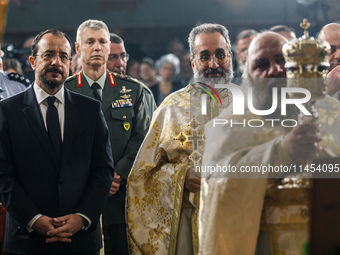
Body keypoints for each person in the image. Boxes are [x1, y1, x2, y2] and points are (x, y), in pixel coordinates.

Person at [200, 31, 340, 255]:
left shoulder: (333, 114)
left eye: (282, 61)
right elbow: (218, 186)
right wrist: (281, 153)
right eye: (261, 64)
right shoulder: (227, 126)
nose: (275, 70)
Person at [0, 28, 114, 255]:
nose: (56, 62)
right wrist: (34, 219)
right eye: (48, 55)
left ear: (70, 63)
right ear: (33, 61)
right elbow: (3, 174)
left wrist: (81, 218)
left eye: (63, 56)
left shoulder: (89, 110)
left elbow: (103, 171)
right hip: (27, 239)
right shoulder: (7, 110)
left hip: (80, 239)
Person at [126, 23, 234, 255]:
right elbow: (142, 176)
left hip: (239, 216)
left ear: (230, 57)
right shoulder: (172, 108)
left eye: (220, 55)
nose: (214, 64)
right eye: (204, 56)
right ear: (193, 62)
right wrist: (181, 177)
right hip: (187, 222)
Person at [65, 19, 149, 255]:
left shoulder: (132, 90)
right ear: (78, 47)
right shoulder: (64, 90)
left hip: (121, 198)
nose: (97, 47)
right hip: (79, 200)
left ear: (109, 46)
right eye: (90, 41)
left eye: (102, 41)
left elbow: (143, 136)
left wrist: (119, 173)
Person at [106, 33, 156, 119]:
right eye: (112, 57)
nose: (120, 63)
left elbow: (155, 130)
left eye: (123, 56)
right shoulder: (88, 91)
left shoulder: (142, 93)